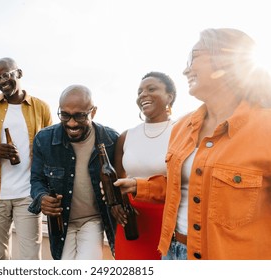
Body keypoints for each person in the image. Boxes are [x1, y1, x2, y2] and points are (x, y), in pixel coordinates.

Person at [114, 28, 271, 260]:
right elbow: (182, 185)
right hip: (173, 251)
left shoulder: (265, 129)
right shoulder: (182, 127)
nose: (186, 69)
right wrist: (140, 186)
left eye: (193, 57)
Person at [0, 57, 52, 260]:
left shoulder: (41, 107)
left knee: (31, 257)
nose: (1, 81)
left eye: (6, 74)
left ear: (19, 73)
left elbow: (49, 150)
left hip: (28, 194)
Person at [28, 85, 119, 260]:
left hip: (93, 219)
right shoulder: (44, 139)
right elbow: (36, 180)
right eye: (65, 115)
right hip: (61, 222)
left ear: (93, 112)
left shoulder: (110, 139)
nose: (71, 123)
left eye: (79, 115)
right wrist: (41, 198)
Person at [112, 71, 176, 260]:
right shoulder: (126, 136)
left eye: (151, 89)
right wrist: (116, 206)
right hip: (131, 221)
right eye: (139, 91)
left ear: (169, 97)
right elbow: (116, 180)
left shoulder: (180, 133)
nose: (142, 95)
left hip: (167, 220)